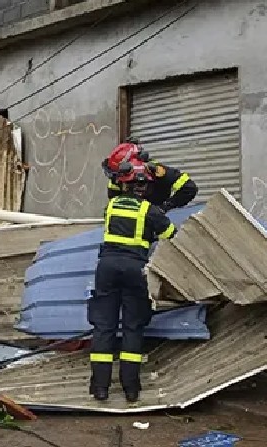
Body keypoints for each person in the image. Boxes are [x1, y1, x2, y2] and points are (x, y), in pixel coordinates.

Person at [88, 165, 176, 403]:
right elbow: (171, 233)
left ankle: (100, 388)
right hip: (135, 270)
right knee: (132, 327)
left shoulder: (111, 207)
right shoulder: (150, 210)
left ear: (124, 185)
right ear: (145, 187)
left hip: (106, 268)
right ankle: (131, 390)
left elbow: (112, 195)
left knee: (104, 327)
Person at [102, 140, 198, 212]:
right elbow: (113, 204)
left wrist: (165, 207)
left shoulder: (158, 172)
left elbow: (189, 188)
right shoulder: (116, 179)